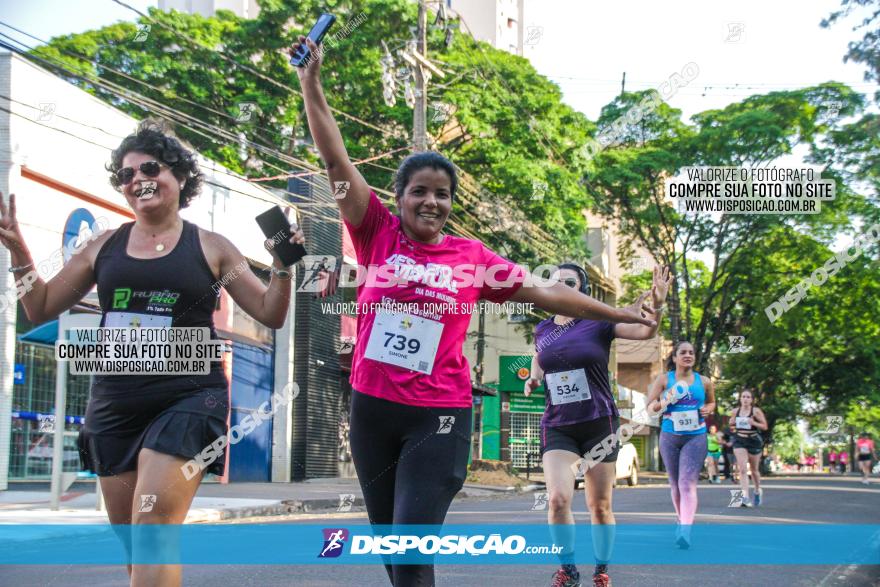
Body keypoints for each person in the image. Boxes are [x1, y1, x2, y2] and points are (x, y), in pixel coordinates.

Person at [292, 35, 657, 587]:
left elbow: (547, 293)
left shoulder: (471, 258)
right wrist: (310, 81)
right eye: (419, 191)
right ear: (400, 197)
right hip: (371, 407)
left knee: (412, 548)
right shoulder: (375, 234)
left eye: (442, 194)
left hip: (438, 411)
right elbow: (335, 161)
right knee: (392, 547)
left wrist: (614, 312)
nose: (431, 202)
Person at [0, 121, 303, 587]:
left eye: (150, 167)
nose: (138, 178)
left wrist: (282, 269)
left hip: (187, 400)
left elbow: (269, 312)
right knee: (134, 546)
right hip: (115, 406)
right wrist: (18, 246)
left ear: (179, 177)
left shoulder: (213, 247)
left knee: (154, 527)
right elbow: (39, 304)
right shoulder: (102, 247)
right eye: (125, 175)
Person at [525, 264, 670, 587]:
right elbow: (539, 356)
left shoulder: (598, 322)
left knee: (600, 506)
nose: (561, 287)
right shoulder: (543, 329)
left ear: (582, 291)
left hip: (598, 423)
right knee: (558, 499)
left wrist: (657, 305)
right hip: (558, 424)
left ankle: (601, 570)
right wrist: (534, 378)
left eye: (570, 283)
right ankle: (568, 569)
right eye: (556, 282)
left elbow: (646, 331)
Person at [647, 341, 716, 548]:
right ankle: (680, 519)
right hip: (670, 435)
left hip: (695, 436)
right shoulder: (663, 379)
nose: (688, 355)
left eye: (691, 353)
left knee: (687, 483)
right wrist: (665, 401)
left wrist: (708, 409)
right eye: (683, 352)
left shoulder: (704, 381)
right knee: (675, 484)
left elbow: (712, 402)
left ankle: (686, 530)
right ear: (674, 357)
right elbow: (650, 409)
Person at [729, 388, 768, 507]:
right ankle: (745, 497)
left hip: (753, 441)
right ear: (740, 399)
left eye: (748, 397)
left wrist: (754, 423)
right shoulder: (735, 411)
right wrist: (732, 422)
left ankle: (757, 490)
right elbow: (731, 424)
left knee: (754, 470)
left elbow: (765, 426)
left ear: (751, 400)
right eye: (743, 397)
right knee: (742, 470)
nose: (745, 399)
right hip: (740, 440)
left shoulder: (756, 411)